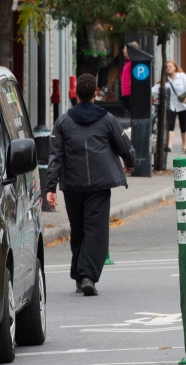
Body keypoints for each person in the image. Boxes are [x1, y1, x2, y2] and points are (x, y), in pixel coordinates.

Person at [46, 73, 135, 296]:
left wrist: (50, 187)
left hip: (72, 185)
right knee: (95, 231)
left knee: (79, 230)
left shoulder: (63, 122)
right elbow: (123, 144)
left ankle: (79, 274)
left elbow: (55, 156)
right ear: (96, 93)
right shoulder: (107, 119)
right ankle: (87, 276)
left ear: (76, 94)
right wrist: (130, 161)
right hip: (99, 183)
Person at [161, 59, 186, 153]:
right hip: (171, 105)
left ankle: (184, 146)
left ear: (175, 68)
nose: (168, 68)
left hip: (183, 105)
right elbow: (158, 88)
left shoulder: (182, 77)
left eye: (170, 66)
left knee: (183, 126)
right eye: (167, 67)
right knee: (170, 125)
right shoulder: (165, 79)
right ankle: (169, 146)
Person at [119, 42, 138, 110]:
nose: (123, 50)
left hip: (130, 91)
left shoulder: (133, 62)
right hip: (126, 91)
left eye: (125, 49)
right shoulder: (126, 61)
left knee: (130, 107)